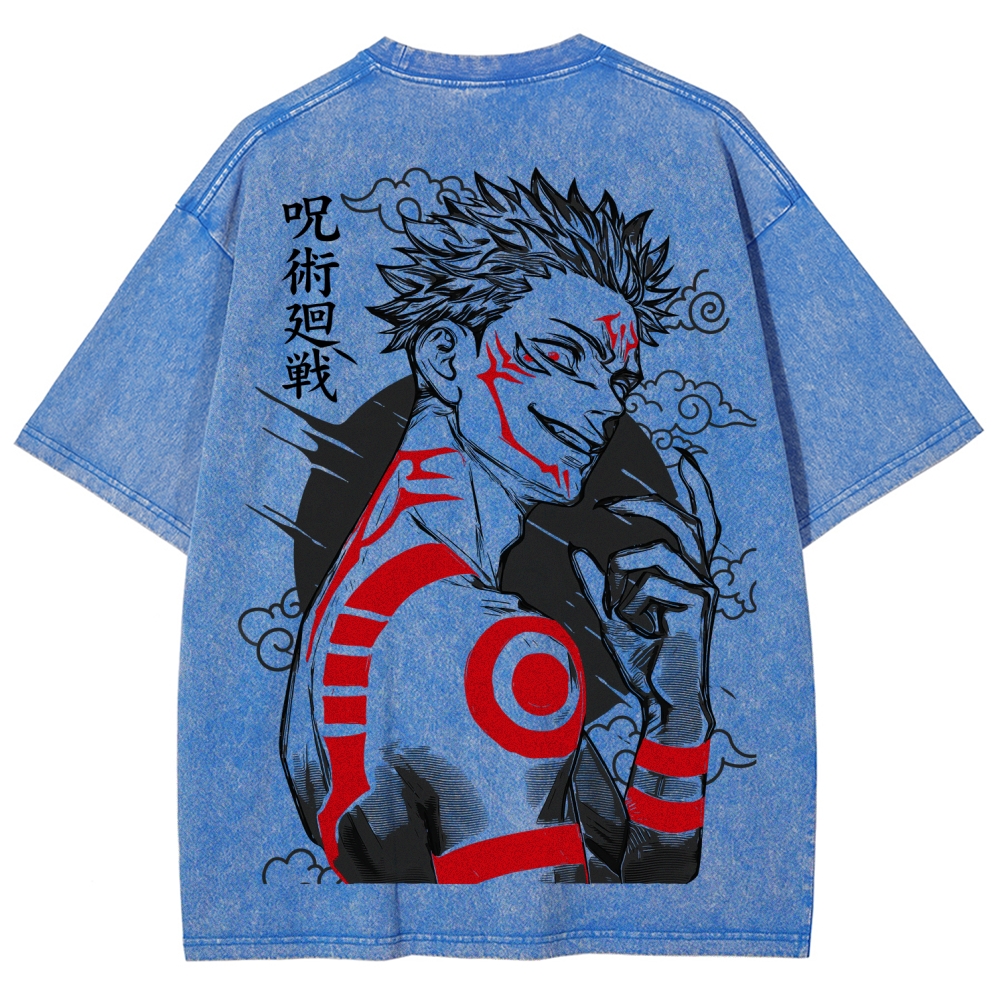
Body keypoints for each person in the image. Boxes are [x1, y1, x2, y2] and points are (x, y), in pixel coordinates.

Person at [281, 169, 721, 884]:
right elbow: (602, 928)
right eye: (564, 356)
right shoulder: (495, 652)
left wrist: (673, 713)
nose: (608, 407)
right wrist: (682, 718)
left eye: (618, 380)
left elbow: (628, 877)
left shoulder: (365, 600)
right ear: (446, 357)